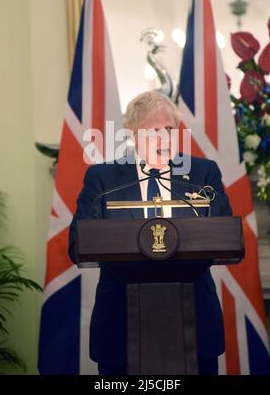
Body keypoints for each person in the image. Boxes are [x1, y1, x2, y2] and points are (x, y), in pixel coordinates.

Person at [69, 90, 232, 375]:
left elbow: (224, 233)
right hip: (119, 319)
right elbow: (77, 243)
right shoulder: (103, 179)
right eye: (152, 130)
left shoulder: (203, 174)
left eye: (169, 129)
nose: (163, 137)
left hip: (194, 315)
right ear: (132, 133)